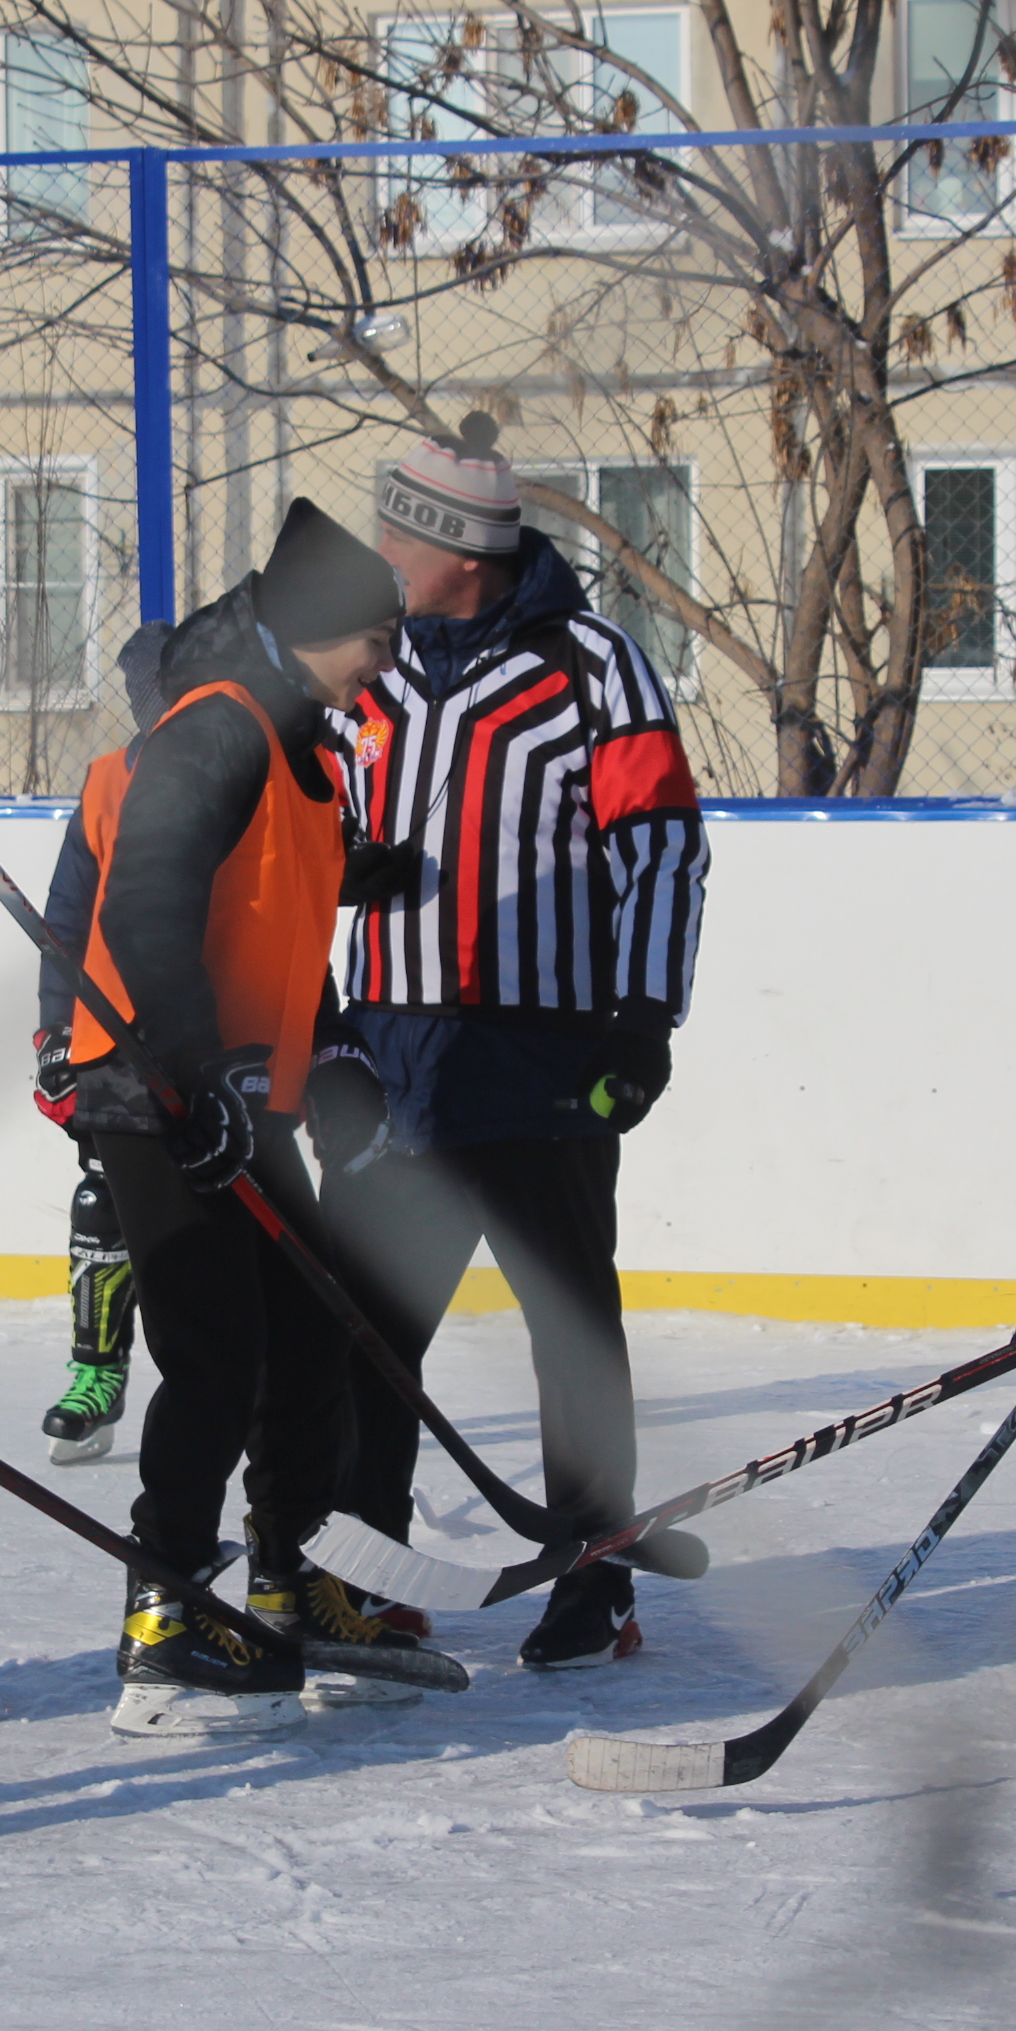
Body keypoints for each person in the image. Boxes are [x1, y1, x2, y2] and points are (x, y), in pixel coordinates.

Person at [323, 414, 709, 1671]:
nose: (377, 547)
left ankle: (593, 1577)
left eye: (397, 530)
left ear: (461, 556)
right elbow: (290, 837)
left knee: (566, 1324)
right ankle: (364, 1580)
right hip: (384, 1054)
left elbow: (659, 846)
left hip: (538, 1056)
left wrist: (641, 1024)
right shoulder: (360, 669)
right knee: (371, 1332)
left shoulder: (591, 665)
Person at [69, 500, 442, 1733]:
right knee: (219, 1358)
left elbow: (284, 932)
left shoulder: (295, 743)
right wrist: (199, 1077)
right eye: (376, 640)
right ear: (319, 630)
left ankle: (286, 1581)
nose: (387, 662)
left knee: (310, 1333)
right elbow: (143, 911)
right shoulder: (215, 731)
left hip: (238, 1095)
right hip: (158, 1094)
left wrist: (324, 1067)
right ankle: (165, 1609)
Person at [27, 628, 174, 1468]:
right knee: (103, 1197)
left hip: (213, 1039)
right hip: (110, 1038)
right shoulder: (109, 781)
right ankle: (97, 1372)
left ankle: (238, 1385)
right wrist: (54, 1034)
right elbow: (64, 923)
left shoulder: (239, 768)